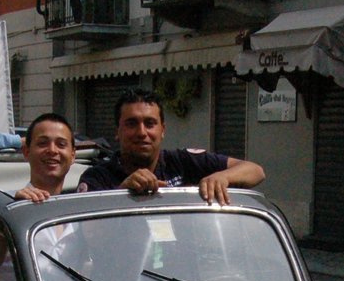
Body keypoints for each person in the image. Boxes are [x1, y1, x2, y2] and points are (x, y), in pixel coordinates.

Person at [76, 87, 265, 206]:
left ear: (163, 130)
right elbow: (88, 234)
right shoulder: (96, 178)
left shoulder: (182, 162)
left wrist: (222, 177)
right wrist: (122, 193)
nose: (142, 132)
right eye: (132, 124)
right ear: (117, 131)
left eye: (150, 123)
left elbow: (255, 171)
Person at [13, 113, 77, 202]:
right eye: (43, 143)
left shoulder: (80, 208)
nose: (52, 150)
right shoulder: (9, 204)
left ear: (73, 155)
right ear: (27, 152)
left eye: (61, 144)